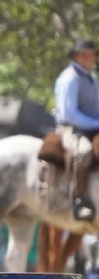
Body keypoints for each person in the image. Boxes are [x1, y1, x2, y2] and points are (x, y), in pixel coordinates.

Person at [54, 39, 99, 222]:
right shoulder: (70, 78)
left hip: (91, 126)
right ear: (77, 56)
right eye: (85, 54)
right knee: (84, 152)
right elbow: (68, 113)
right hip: (71, 129)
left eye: (92, 54)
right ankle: (80, 199)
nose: (89, 58)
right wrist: (96, 123)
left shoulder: (91, 77)